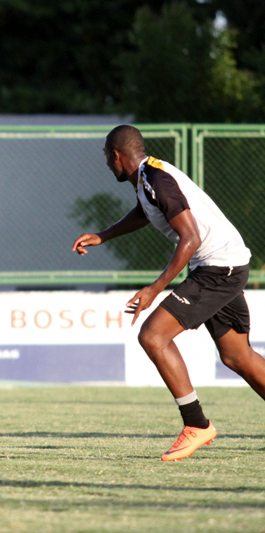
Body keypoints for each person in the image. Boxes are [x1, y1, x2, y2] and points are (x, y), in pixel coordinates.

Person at [72, 125, 265, 461]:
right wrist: (104, 235)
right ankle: (197, 425)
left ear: (116, 156)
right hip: (225, 264)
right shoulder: (150, 177)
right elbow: (147, 211)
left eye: (106, 156)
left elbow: (189, 237)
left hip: (217, 268)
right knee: (237, 357)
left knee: (153, 336)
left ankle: (197, 425)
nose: (106, 163)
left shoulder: (155, 179)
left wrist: (154, 289)